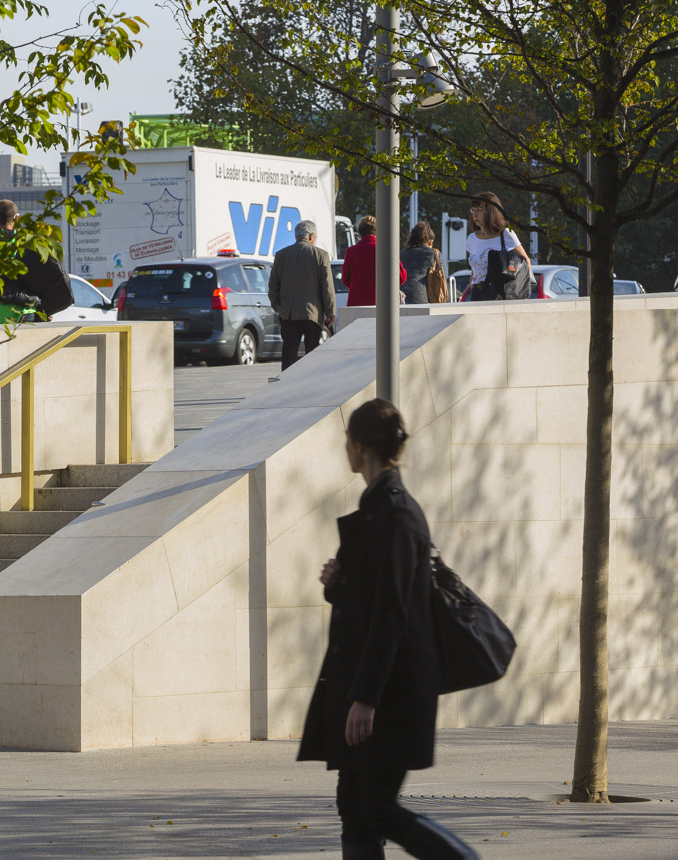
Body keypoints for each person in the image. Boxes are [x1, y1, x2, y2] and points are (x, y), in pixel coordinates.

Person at [298, 399, 478, 860]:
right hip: (372, 685)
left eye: (346, 442)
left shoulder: (397, 513)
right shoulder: (377, 508)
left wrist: (366, 698)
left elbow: (393, 613)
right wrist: (339, 584)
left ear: (359, 447)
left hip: (390, 693)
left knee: (376, 807)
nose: (345, 450)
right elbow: (373, 600)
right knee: (354, 807)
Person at [0, 199, 74, 325]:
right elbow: (44, 278)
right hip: (25, 314)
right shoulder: (29, 244)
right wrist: (46, 310)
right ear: (16, 218)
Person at [268, 220, 336, 370]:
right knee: (312, 352)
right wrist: (330, 311)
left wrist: (279, 307)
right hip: (313, 314)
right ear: (311, 236)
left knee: (289, 353)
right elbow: (327, 286)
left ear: (296, 236)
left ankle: (286, 385)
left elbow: (273, 286)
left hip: (289, 314)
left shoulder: (281, 255)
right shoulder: (320, 255)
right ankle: (310, 384)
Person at [464, 192, 531, 300]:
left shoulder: (505, 234)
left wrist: (514, 286)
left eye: (479, 210)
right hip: (477, 292)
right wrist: (472, 284)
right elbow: (475, 268)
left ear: (491, 211)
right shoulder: (471, 239)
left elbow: (525, 261)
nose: (475, 214)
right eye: (473, 210)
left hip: (500, 293)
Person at [342, 216, 406, 307]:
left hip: (357, 304)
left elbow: (345, 279)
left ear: (359, 232)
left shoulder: (351, 252)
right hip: (383, 305)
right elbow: (401, 277)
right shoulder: (387, 249)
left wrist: (360, 286)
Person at [399, 222, 438, 305]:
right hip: (421, 297)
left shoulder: (402, 253)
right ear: (430, 242)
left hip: (401, 297)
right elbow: (441, 277)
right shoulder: (433, 253)